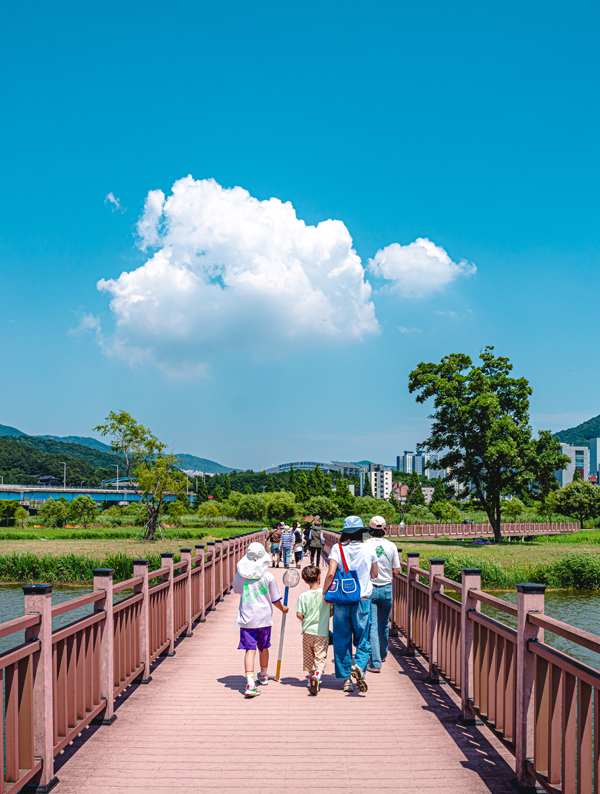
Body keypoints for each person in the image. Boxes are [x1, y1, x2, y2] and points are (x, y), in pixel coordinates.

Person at [322, 515, 378, 694]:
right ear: (361, 532)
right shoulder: (369, 548)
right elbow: (374, 574)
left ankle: (346, 680)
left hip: (341, 600)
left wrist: (324, 593)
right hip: (362, 600)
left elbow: (331, 574)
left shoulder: (338, 548)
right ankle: (360, 666)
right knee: (363, 638)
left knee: (341, 639)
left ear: (345, 533)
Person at [232, 542, 289, 698]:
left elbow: (236, 589)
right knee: (263, 647)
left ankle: (250, 683)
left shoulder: (240, 575)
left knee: (249, 650)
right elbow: (275, 598)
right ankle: (263, 674)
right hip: (264, 619)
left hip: (247, 619)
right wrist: (282, 608)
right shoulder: (268, 576)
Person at [365, 516, 401, 672]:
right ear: (384, 529)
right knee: (384, 623)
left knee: (372, 626)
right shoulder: (391, 546)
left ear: (370, 529)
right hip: (386, 588)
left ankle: (375, 662)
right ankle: (383, 654)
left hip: (370, 588)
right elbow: (397, 569)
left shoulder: (365, 545)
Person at [295, 565, 332, 695]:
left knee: (309, 657)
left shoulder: (303, 596)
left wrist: (304, 618)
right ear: (319, 577)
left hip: (307, 632)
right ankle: (317, 676)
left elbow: (299, 614)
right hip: (322, 632)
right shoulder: (325, 595)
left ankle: (310, 678)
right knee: (320, 657)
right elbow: (331, 610)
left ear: (305, 580)